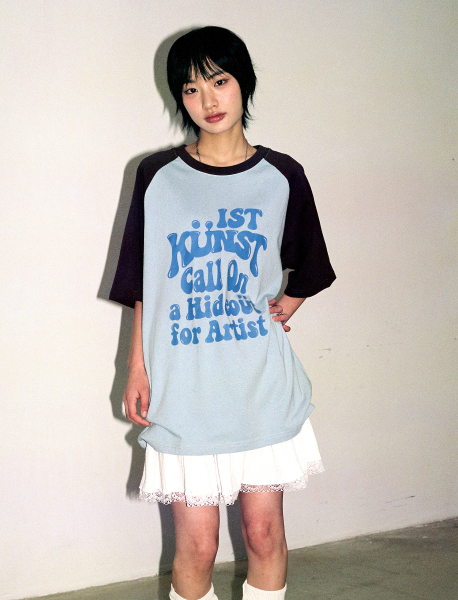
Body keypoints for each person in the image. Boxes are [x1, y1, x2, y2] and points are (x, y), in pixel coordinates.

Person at [109, 26, 335, 600]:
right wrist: (137, 367)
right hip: (185, 385)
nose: (207, 100)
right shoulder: (157, 176)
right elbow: (144, 282)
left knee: (263, 534)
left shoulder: (282, 175)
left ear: (243, 83)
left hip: (258, 384)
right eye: (190, 89)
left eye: (219, 80)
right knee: (198, 546)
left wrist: (287, 301)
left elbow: (310, 263)